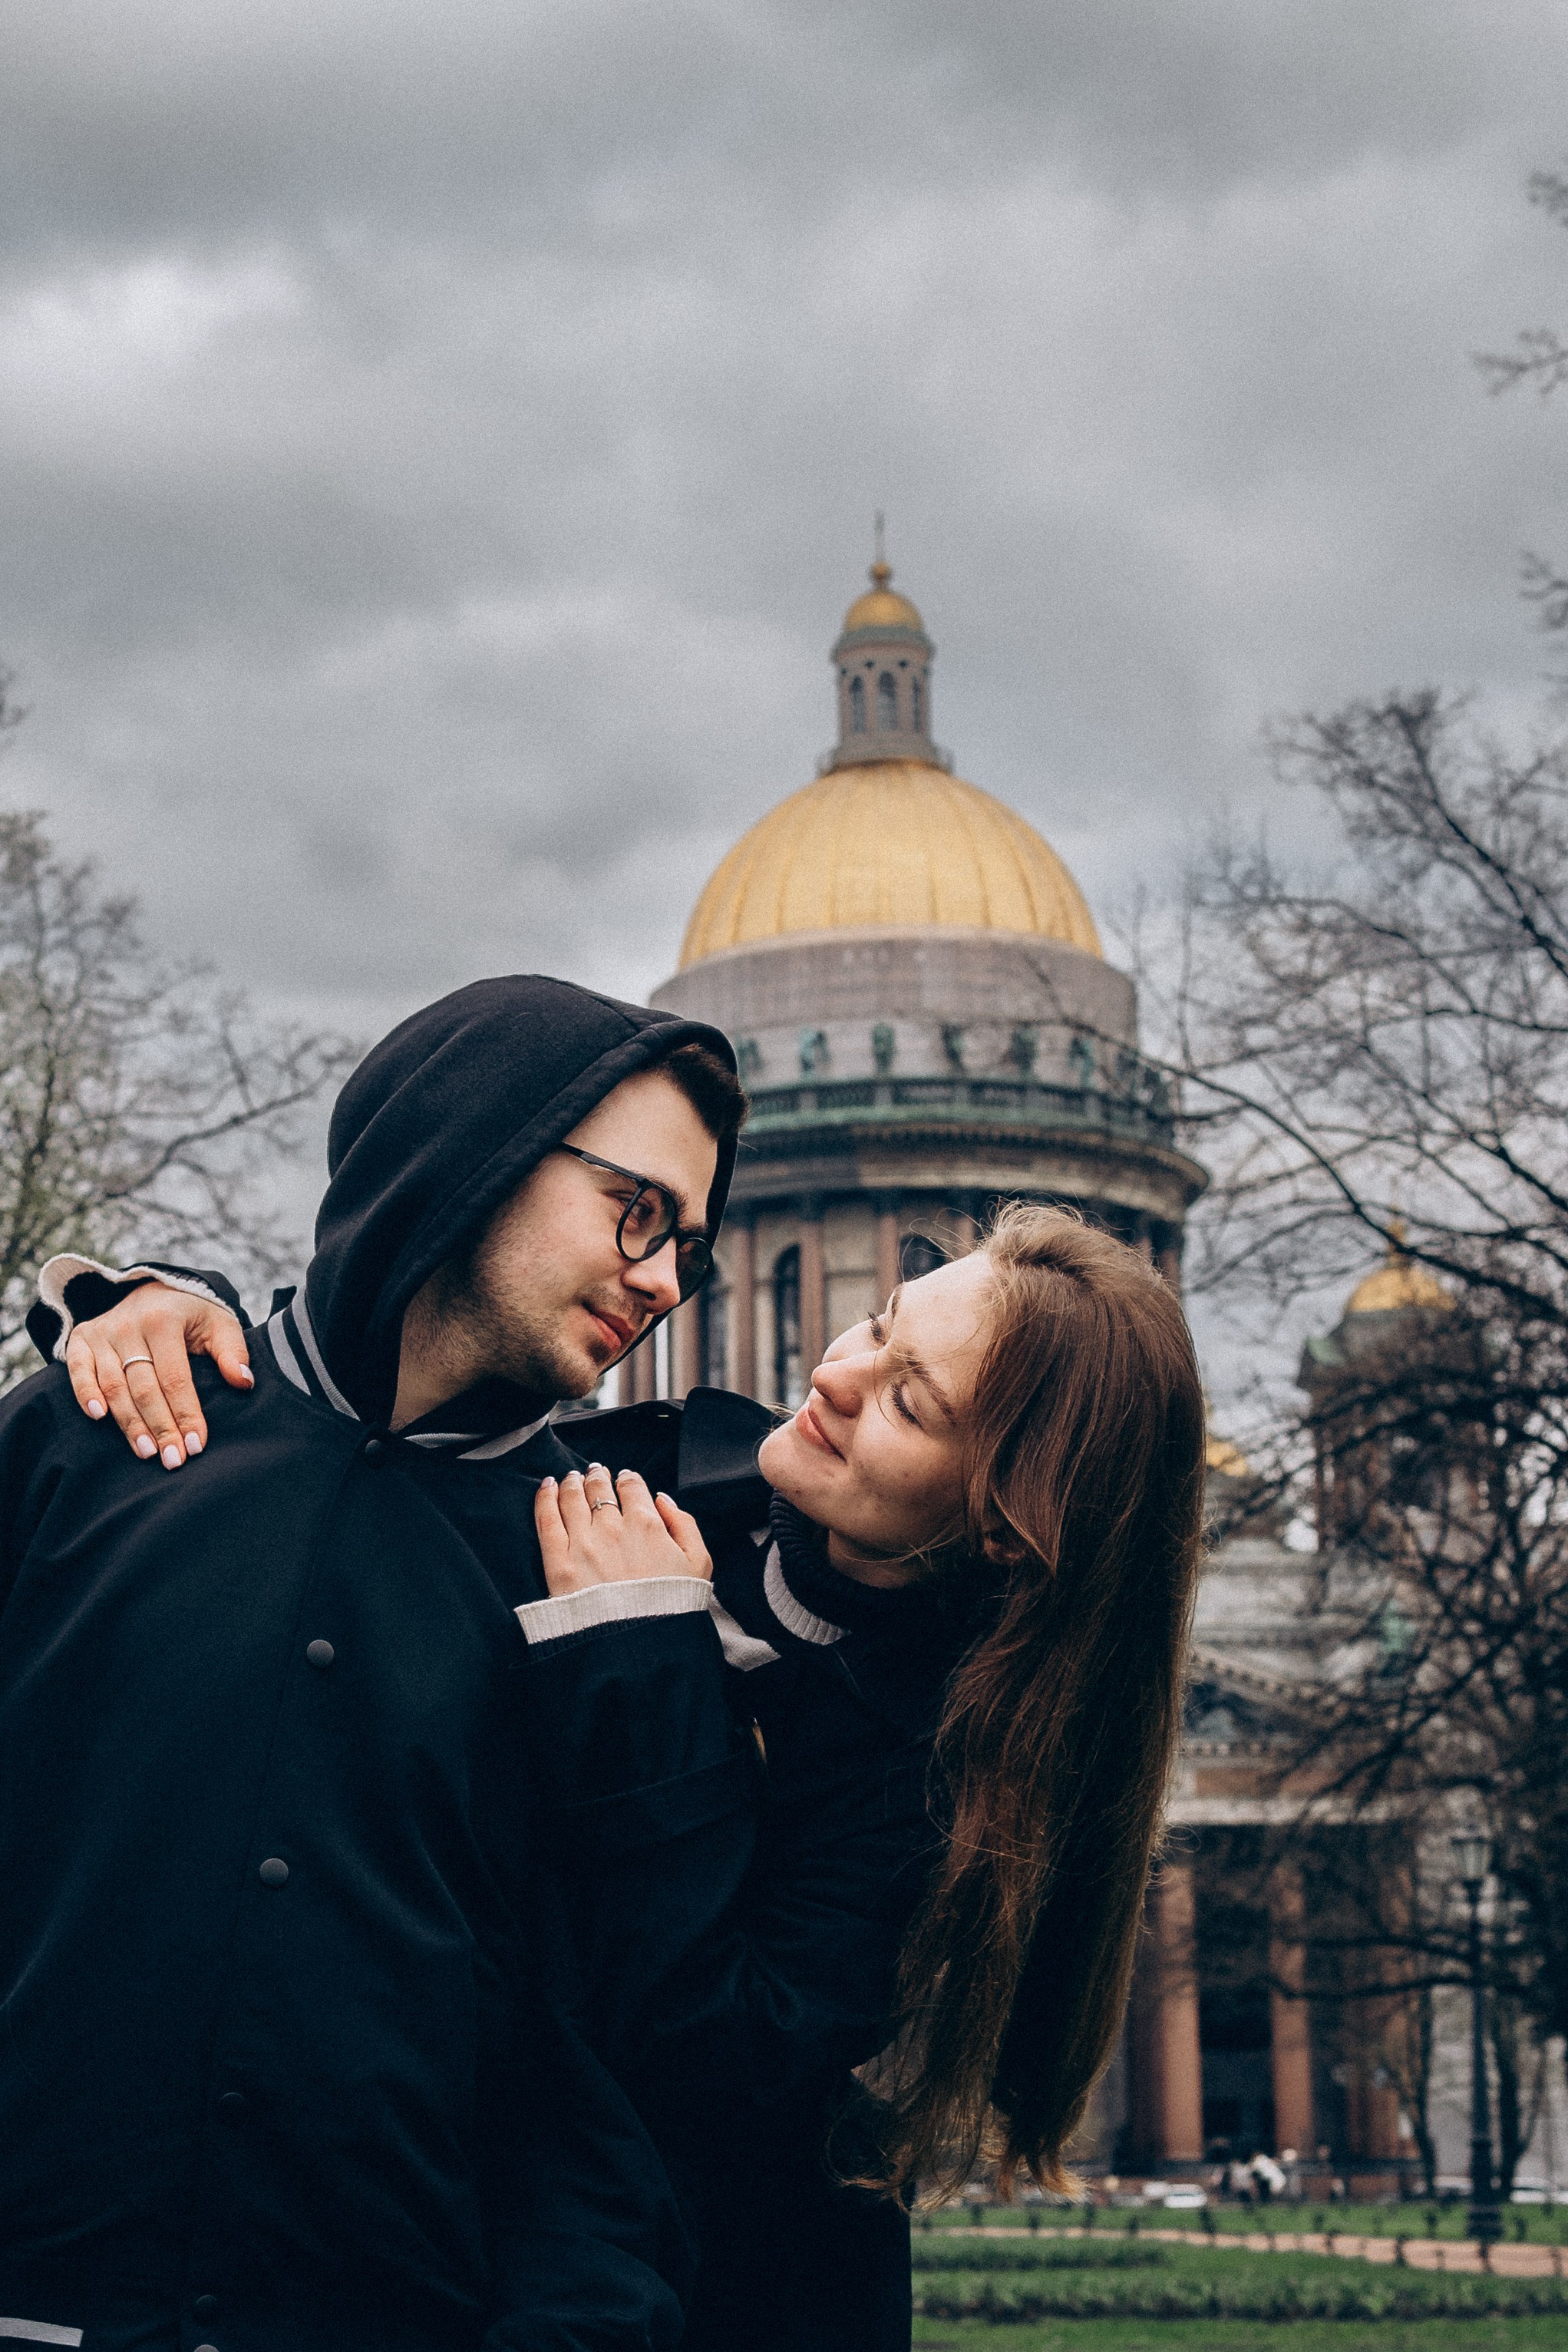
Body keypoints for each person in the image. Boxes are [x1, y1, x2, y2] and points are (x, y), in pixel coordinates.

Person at [51, 1160, 1207, 2350]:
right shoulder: (635, 1474)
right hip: (404, 2229)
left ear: (1009, 1530)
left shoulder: (949, 1770)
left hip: (722, 2284)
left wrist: (642, 1665)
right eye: (877, 1327)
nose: (835, 1376)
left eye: (911, 1404)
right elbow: (366, 1468)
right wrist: (170, 1311)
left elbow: (716, 2064)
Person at [0, 974, 746, 2352]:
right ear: (477, 1143)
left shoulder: (607, 1590)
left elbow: (600, 2074)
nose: (664, 1279)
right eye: (637, 1211)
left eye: (689, 1249)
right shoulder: (90, 1435)